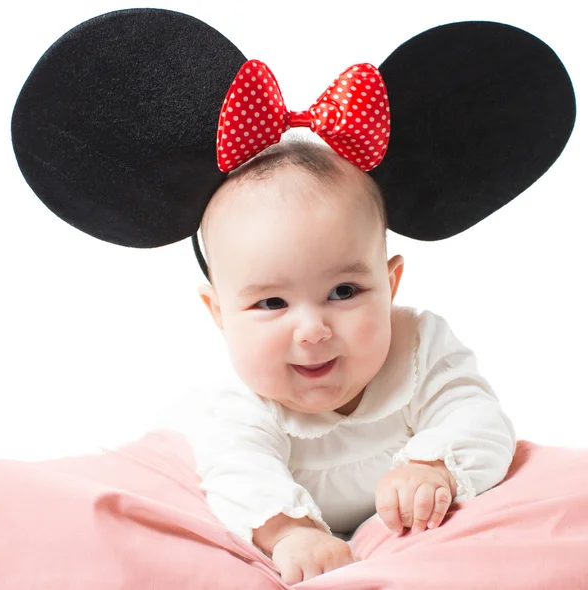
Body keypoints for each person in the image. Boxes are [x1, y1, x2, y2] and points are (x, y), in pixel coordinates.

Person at [193, 139, 516, 585]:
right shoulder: (244, 401)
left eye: (343, 292)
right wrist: (291, 532)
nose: (312, 329)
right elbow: (237, 471)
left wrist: (432, 467)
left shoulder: (419, 344)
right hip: (302, 532)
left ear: (390, 283)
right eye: (271, 302)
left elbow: (477, 414)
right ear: (219, 314)